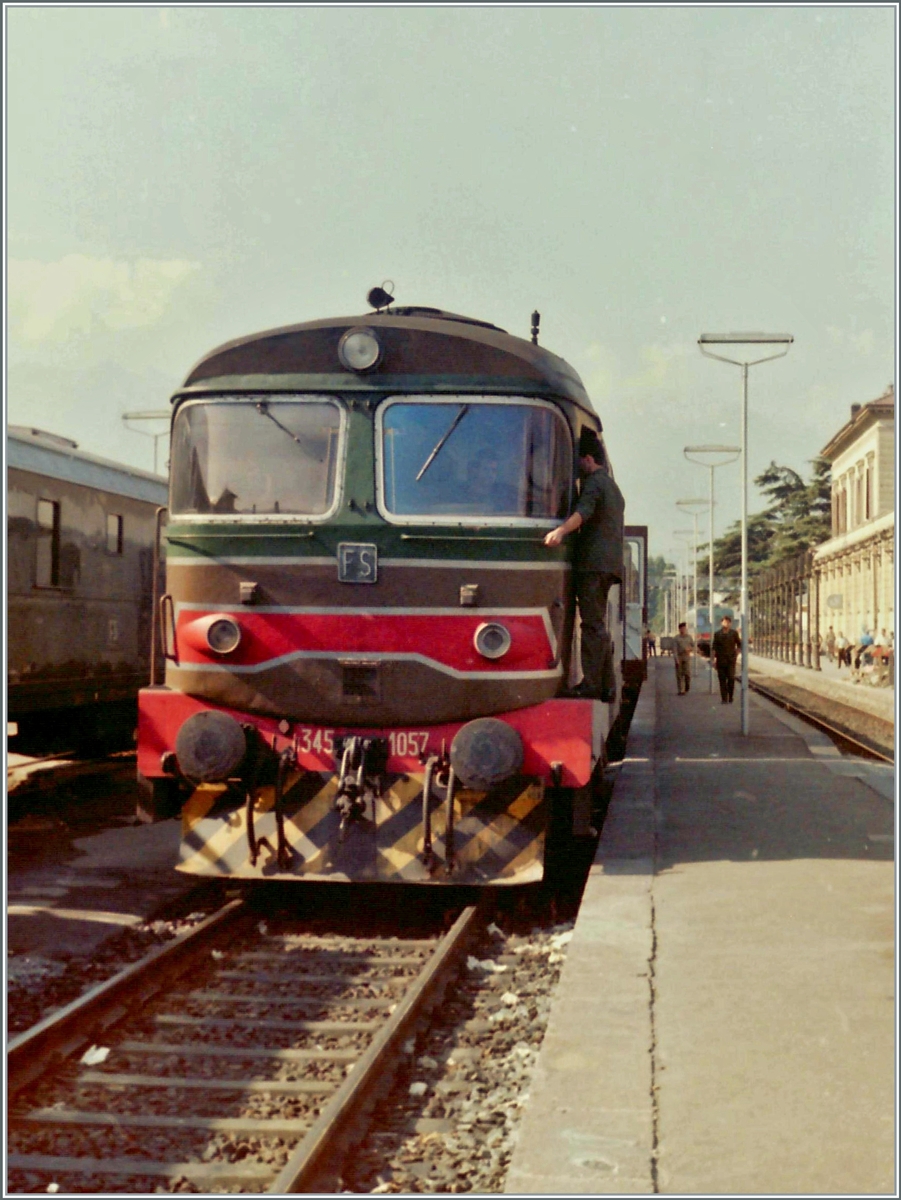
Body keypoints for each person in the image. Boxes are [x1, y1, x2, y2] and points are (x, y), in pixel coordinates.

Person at [544, 428, 624, 701]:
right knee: (597, 625)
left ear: (588, 459)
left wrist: (560, 531)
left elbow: (583, 513)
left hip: (592, 565)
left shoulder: (594, 484)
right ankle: (607, 686)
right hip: (607, 566)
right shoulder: (612, 487)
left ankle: (591, 685)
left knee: (591, 626)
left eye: (579, 462)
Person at [712, 614, 742, 704]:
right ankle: (724, 698)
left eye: (728, 622)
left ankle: (730, 696)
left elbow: (739, 644)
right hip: (720, 659)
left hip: (731, 660)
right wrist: (714, 659)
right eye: (725, 622)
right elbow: (714, 647)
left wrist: (737, 653)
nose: (726, 624)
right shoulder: (717, 634)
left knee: (731, 678)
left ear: (730, 623)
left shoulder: (734, 633)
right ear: (721, 623)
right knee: (722, 680)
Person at [672, 622, 694, 694]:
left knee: (687, 674)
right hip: (679, 657)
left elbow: (693, 646)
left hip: (686, 657)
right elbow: (674, 650)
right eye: (682, 628)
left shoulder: (689, 637)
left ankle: (687, 687)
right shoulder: (676, 638)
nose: (683, 630)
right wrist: (676, 659)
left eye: (684, 628)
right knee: (679, 674)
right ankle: (681, 690)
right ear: (679, 629)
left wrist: (690, 649)